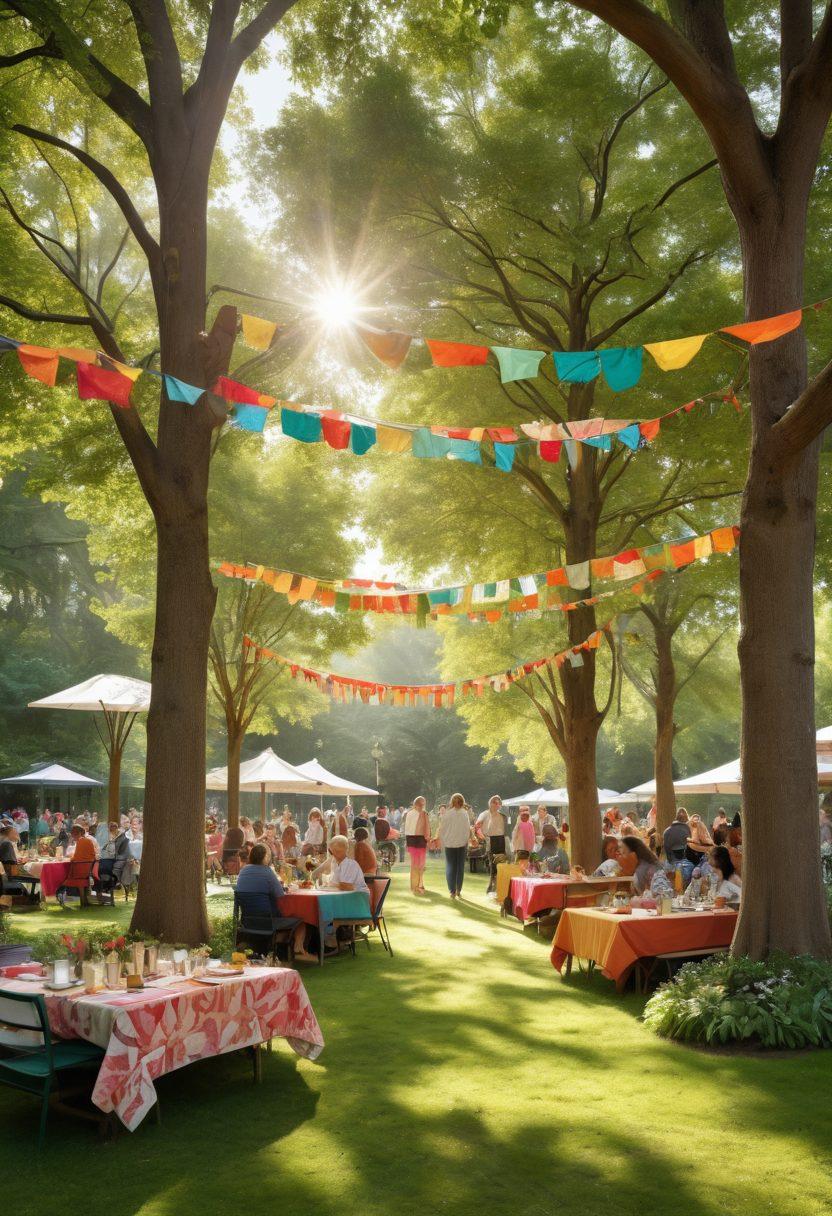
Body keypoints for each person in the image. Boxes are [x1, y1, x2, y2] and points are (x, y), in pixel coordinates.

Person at [438, 792, 471, 899]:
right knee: (459, 868)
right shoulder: (464, 813)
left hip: (451, 844)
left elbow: (443, 828)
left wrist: (444, 839)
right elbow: (467, 829)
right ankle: (457, 890)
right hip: (460, 844)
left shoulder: (448, 813)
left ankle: (453, 890)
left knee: (451, 867)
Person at [477, 795, 509, 893]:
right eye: (494, 802)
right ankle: (491, 885)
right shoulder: (484, 814)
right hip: (490, 840)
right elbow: (477, 827)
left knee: (501, 864)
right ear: (490, 803)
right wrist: (483, 837)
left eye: (498, 803)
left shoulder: (503, 816)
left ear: (500, 805)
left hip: (501, 840)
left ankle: (498, 886)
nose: (496, 804)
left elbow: (508, 830)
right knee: (492, 864)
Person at [404, 796, 431, 894]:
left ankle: (417, 884)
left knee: (416, 863)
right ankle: (419, 884)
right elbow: (427, 829)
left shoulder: (411, 814)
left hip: (413, 839)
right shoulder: (423, 814)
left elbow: (407, 829)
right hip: (418, 839)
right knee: (419, 863)